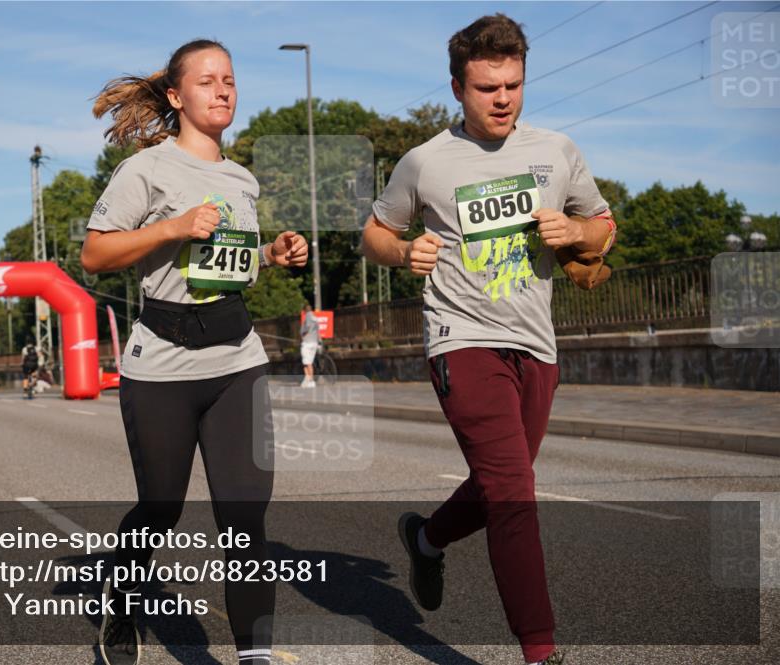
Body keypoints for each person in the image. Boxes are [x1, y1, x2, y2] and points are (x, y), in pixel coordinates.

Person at [361, 14, 616, 665]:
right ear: (457, 88)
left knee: (503, 481)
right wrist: (403, 251)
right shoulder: (426, 161)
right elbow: (376, 232)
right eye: (486, 87)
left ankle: (426, 538)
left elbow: (603, 225)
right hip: (460, 337)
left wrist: (577, 235)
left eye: (513, 84)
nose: (502, 98)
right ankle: (541, 651)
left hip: (535, 344)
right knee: (514, 493)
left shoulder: (556, 151)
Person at [82, 38, 308, 665]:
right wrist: (172, 226)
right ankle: (121, 595)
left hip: (237, 358)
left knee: (244, 518)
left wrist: (271, 255)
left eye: (230, 79)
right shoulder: (147, 169)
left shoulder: (241, 179)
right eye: (207, 81)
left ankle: (253, 657)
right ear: (178, 97)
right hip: (162, 361)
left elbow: (225, 268)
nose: (223, 89)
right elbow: (95, 254)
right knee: (161, 508)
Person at [299, 301, 319, 388]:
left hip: (307, 342)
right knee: (309, 361)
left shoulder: (308, 316)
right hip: (314, 342)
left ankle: (310, 380)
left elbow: (306, 328)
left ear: (304, 310)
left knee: (306, 362)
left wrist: (303, 334)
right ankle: (308, 379)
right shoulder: (315, 318)